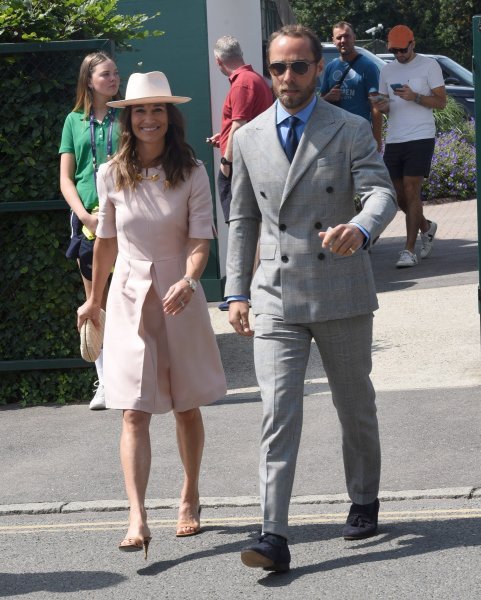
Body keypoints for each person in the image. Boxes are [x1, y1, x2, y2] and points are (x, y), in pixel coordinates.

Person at [225, 24, 397, 572]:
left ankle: (364, 497)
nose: (288, 77)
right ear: (268, 70)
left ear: (318, 69)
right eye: (278, 67)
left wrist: (362, 228)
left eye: (299, 66)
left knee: (355, 407)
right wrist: (234, 292)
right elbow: (242, 218)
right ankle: (273, 533)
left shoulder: (348, 127)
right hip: (275, 293)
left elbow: (380, 192)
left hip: (341, 286)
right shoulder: (247, 137)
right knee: (277, 413)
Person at [77, 71, 227, 558]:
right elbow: (106, 243)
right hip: (126, 294)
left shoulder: (193, 171)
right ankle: (137, 516)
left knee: (186, 404)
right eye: (139, 110)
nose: (148, 118)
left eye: (157, 109)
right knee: (133, 411)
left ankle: (190, 495)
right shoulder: (110, 172)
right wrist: (94, 299)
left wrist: (189, 280)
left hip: (178, 293)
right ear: (127, 118)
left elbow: (201, 238)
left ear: (169, 116)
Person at [59, 52, 122, 410]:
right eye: (106, 74)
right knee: (95, 301)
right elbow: (66, 178)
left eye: (116, 73)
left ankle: (134, 374)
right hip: (89, 221)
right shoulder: (72, 121)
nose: (113, 78)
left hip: (125, 216)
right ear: (89, 80)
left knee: (130, 296)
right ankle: (104, 382)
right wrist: (83, 215)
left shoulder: (126, 115)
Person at [377, 25, 446, 268]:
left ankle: (408, 250)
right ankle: (426, 227)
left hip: (421, 135)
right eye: (394, 51)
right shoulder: (386, 70)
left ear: (412, 44)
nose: (399, 55)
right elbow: (384, 104)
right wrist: (381, 105)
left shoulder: (429, 66)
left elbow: (441, 102)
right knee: (399, 196)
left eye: (403, 50)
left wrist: (415, 96)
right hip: (395, 137)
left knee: (411, 189)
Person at [207, 35, 273, 224]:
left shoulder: (242, 83)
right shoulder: (254, 79)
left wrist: (226, 162)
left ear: (219, 61)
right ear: (241, 54)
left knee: (241, 224)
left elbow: (239, 125)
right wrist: (224, 137)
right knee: (252, 222)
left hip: (241, 164)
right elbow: (247, 124)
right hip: (251, 160)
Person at [320, 21, 383, 151]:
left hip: (359, 135)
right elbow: (321, 102)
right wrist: (328, 97)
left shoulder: (368, 67)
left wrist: (377, 139)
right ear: (333, 41)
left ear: (354, 37)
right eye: (338, 37)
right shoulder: (330, 67)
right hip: (334, 135)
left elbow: (376, 105)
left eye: (346, 36)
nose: (343, 40)